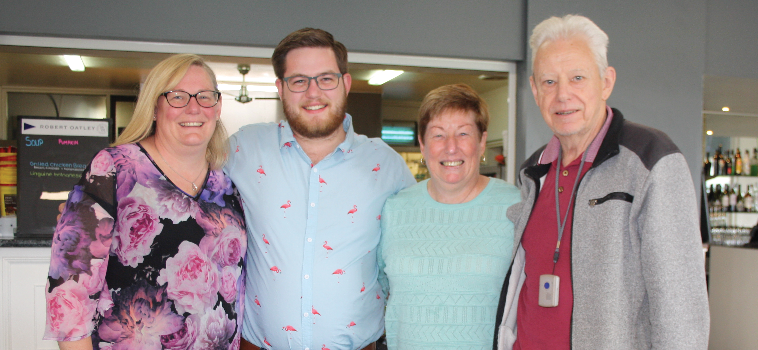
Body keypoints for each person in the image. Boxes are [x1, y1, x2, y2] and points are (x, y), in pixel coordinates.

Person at [494, 15, 710, 350]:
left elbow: (681, 308)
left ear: (606, 81)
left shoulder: (651, 160)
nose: (563, 95)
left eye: (577, 78)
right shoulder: (532, 171)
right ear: (535, 90)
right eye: (549, 82)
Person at [226, 28, 415, 350]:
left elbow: (414, 251)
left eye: (326, 79)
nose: (313, 93)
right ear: (280, 88)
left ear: (346, 83)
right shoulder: (242, 149)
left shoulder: (387, 166)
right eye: (299, 81)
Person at [43, 54, 247, 350]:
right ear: (154, 107)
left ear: (217, 108)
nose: (194, 107)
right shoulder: (114, 169)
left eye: (205, 96)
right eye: (177, 96)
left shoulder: (226, 187)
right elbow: (68, 289)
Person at [377, 84, 520, 349]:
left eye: (463, 133)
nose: (451, 147)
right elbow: (378, 293)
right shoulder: (394, 211)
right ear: (422, 144)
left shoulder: (516, 208)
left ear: (481, 141)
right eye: (438, 135)